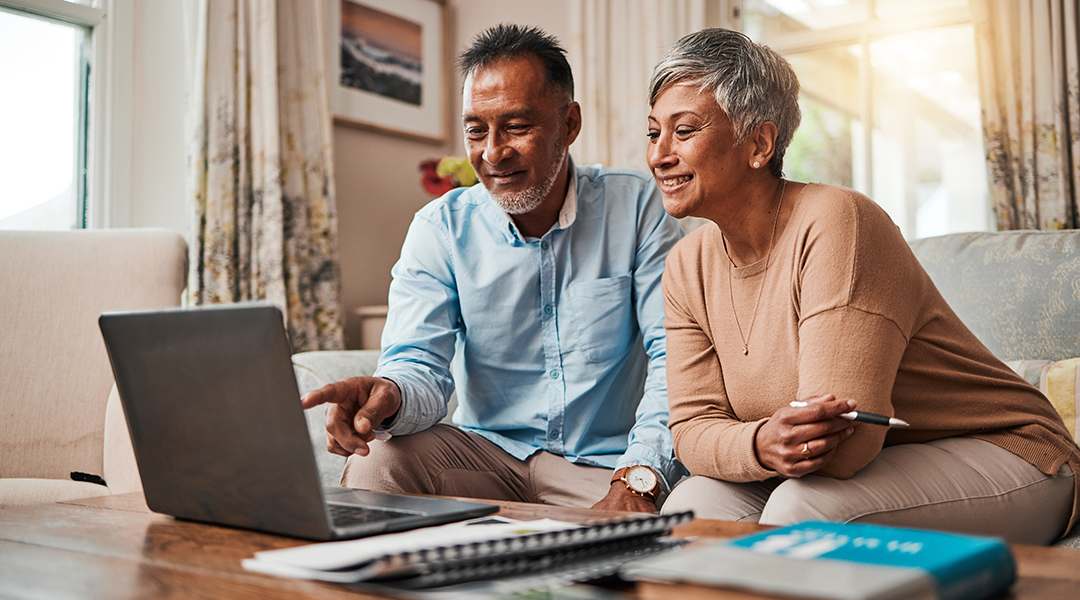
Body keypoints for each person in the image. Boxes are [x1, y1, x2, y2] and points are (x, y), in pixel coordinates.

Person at [647, 28, 1079, 544]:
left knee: (800, 510)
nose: (660, 155)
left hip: (1008, 452)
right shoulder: (686, 265)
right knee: (690, 511)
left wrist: (754, 444)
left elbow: (844, 448)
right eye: (654, 133)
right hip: (863, 467)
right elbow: (691, 430)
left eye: (685, 130)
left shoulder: (839, 222)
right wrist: (762, 443)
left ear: (759, 143)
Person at [302, 24, 685, 513]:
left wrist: (638, 480)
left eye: (517, 127)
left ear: (569, 125)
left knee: (686, 513)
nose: (493, 152)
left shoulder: (636, 207)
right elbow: (419, 363)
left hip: (605, 467)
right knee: (379, 460)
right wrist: (388, 393)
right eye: (476, 130)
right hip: (486, 459)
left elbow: (676, 358)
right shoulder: (440, 228)